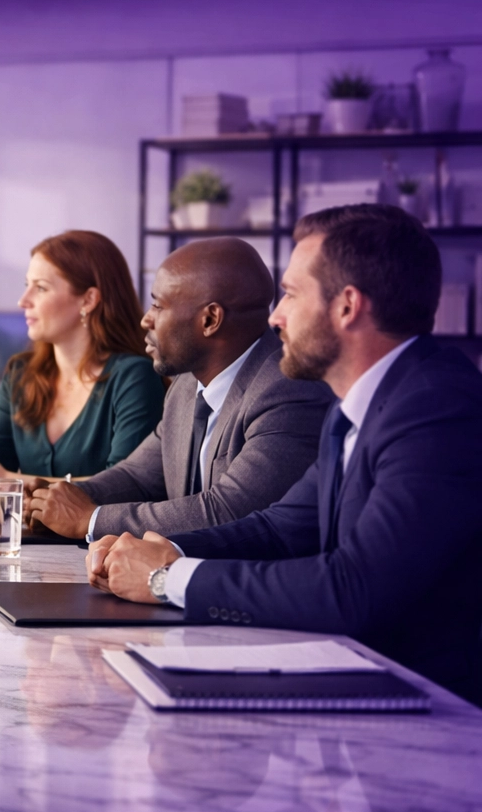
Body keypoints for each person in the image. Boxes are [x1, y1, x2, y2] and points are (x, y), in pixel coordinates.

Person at [89, 204, 482, 702]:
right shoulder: (356, 405)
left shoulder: (436, 408)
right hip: (359, 689)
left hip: (438, 717)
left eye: (291, 295)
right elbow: (278, 527)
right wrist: (168, 551)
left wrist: (168, 579)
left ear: (347, 306)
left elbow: (353, 590)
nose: (274, 316)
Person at [29, 238, 333, 540]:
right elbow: (137, 476)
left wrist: (90, 519)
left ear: (210, 319)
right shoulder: (187, 383)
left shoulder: (288, 390)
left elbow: (228, 512)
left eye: (158, 305)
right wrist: (57, 500)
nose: (145, 319)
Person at [0, 230, 164, 488]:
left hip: (104, 537)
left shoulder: (134, 377)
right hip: (30, 536)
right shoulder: (21, 373)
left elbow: (124, 487)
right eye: (27, 286)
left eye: (41, 288)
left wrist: (6, 479)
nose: (23, 300)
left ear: (88, 299)